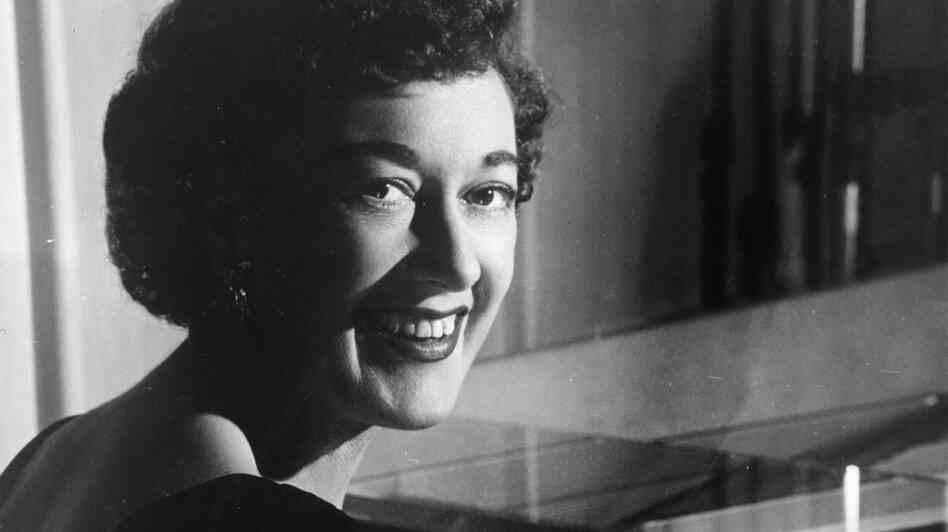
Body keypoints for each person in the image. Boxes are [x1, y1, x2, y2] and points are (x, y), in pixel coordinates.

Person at [0, 0, 551, 530]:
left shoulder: (50, 456)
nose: (457, 263)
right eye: (382, 189)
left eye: (487, 194)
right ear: (231, 215)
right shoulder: (245, 514)